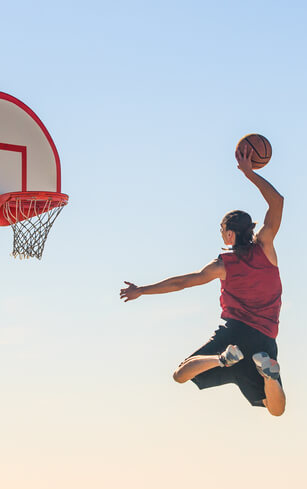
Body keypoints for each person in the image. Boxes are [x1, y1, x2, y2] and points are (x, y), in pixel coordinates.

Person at [120, 143, 286, 416]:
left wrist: (142, 290)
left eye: (222, 231)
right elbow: (277, 202)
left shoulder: (224, 265)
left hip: (235, 334)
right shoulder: (266, 248)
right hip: (265, 341)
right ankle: (268, 375)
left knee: (180, 374)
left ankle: (222, 359)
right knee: (275, 409)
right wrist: (249, 173)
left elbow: (182, 283)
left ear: (230, 235)